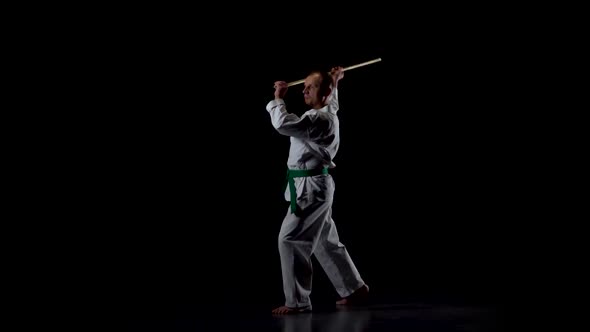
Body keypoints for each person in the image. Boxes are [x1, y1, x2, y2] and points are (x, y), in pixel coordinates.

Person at [267, 66, 369, 315]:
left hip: (311, 189)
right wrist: (334, 82)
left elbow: (282, 124)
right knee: (324, 240)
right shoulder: (327, 112)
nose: (304, 89)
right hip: (314, 187)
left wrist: (278, 98)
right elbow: (332, 102)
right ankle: (353, 288)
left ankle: (298, 302)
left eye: (310, 86)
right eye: (305, 85)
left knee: (289, 240)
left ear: (323, 92)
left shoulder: (318, 120)